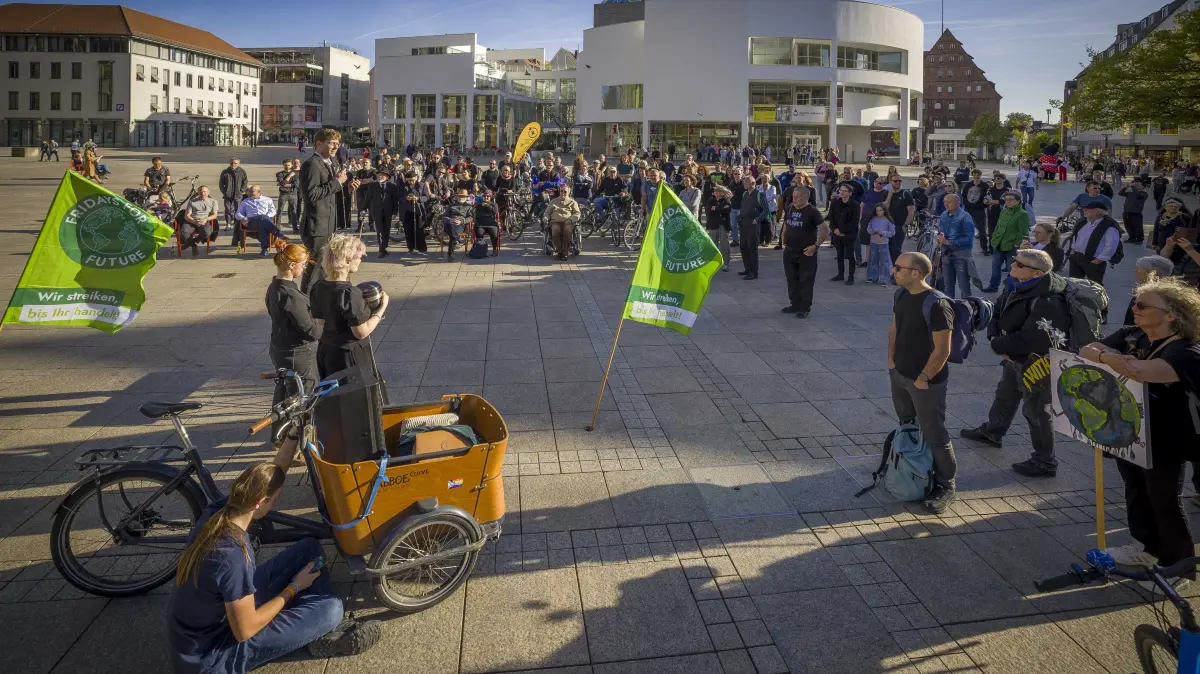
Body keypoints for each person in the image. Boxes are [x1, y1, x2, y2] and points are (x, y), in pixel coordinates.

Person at [168, 443, 381, 673]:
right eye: (275, 499)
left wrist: (291, 437)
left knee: (309, 547)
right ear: (260, 503)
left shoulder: (220, 509)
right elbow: (245, 631)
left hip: (208, 625)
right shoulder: (233, 557)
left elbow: (275, 472)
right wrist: (293, 588)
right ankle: (317, 627)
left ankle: (310, 625)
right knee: (332, 609)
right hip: (211, 655)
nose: (277, 502)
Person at [1082, 277, 1200, 579]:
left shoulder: (1188, 351)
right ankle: (1146, 547)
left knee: (1164, 498)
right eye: (1135, 300)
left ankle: (1178, 567)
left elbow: (1142, 371)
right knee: (1135, 488)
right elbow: (1087, 348)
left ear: (1171, 314)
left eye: (1142, 304)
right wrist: (1113, 358)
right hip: (1129, 430)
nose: (1134, 307)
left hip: (1167, 436)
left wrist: (1110, 359)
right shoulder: (1134, 334)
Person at [961, 249, 1071, 477]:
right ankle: (993, 432)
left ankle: (1045, 461)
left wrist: (998, 346)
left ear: (1037, 273)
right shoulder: (1015, 284)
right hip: (1013, 357)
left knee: (1036, 411)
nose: (1013, 265)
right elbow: (998, 309)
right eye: (1014, 261)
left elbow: (1035, 338)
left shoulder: (1048, 300)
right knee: (1005, 394)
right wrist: (994, 337)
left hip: (1035, 363)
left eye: (1019, 264)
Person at [889, 252, 958, 513]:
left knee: (935, 433)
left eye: (899, 268)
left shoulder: (938, 304)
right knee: (907, 424)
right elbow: (895, 328)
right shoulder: (901, 294)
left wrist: (923, 378)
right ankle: (914, 470)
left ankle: (946, 485)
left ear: (916, 273)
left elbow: (942, 349)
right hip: (900, 375)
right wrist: (891, 364)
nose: (894, 271)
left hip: (926, 381)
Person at [310, 234, 389, 380]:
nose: (360, 261)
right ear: (347, 260)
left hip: (327, 352)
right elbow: (361, 332)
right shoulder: (350, 293)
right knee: (354, 399)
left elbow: (319, 323)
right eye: (358, 257)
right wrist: (381, 309)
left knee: (333, 396)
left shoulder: (318, 286)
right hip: (348, 356)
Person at [266, 244, 319, 434]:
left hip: (279, 346)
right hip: (297, 352)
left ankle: (278, 435)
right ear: (291, 265)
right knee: (301, 397)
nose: (304, 268)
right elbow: (309, 330)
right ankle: (295, 442)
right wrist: (324, 326)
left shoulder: (274, 287)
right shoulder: (291, 295)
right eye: (303, 264)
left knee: (283, 392)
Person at [300, 129, 358, 292]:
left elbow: (330, 194)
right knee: (314, 272)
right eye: (332, 143)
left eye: (338, 144)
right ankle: (307, 307)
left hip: (329, 225)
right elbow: (311, 195)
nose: (336, 147)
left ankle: (320, 305)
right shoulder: (312, 165)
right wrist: (337, 183)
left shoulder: (329, 163)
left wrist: (346, 188)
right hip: (317, 227)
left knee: (325, 270)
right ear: (319, 144)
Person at [780, 186, 827, 318]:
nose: (793, 199)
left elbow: (824, 229)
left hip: (806, 253)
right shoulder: (790, 207)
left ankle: (804, 307)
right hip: (790, 250)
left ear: (805, 197)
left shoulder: (812, 211)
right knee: (791, 278)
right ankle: (794, 304)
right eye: (793, 196)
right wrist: (784, 235)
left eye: (797, 197)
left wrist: (816, 246)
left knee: (806, 280)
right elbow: (786, 223)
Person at [983, 192, 1030, 292]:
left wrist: (1016, 244)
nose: (1008, 202)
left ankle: (1011, 289)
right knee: (995, 267)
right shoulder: (1004, 211)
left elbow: (1023, 231)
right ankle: (993, 286)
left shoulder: (1022, 214)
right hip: (999, 244)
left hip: (1011, 246)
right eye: (1006, 199)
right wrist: (994, 238)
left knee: (1011, 269)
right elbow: (998, 226)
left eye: (1011, 199)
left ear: (1017, 201)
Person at [1067, 200, 1121, 286]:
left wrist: (1097, 261)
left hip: (1093, 260)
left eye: (1088, 209)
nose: (1085, 211)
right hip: (1077, 258)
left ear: (1098, 212)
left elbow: (1111, 246)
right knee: (1073, 284)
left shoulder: (1109, 226)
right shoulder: (1084, 223)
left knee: (1095, 286)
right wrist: (1073, 252)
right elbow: (1076, 237)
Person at [937, 194, 975, 298]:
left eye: (949, 202)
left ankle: (968, 307)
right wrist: (939, 238)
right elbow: (941, 232)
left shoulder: (965, 217)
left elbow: (969, 238)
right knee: (947, 285)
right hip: (946, 254)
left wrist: (950, 242)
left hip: (960, 255)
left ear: (958, 203)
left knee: (963, 285)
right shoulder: (944, 215)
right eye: (944, 201)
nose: (946, 204)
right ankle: (949, 307)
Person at [235, 186, 286, 257]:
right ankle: (277, 233)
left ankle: (264, 250)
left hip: (265, 222)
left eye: (252, 191)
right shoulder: (245, 201)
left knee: (263, 223)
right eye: (249, 191)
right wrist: (242, 217)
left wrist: (265, 217)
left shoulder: (268, 200)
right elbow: (237, 213)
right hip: (251, 222)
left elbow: (273, 211)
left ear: (259, 192)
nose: (249, 193)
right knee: (263, 219)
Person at [1125, 256, 1176, 325]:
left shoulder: (1153, 295)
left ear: (1152, 273)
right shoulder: (1144, 288)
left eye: (1140, 269)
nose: (1136, 271)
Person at [736, 175, 768, 281]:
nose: (744, 183)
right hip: (743, 224)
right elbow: (743, 207)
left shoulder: (760, 195)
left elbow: (765, 211)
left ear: (753, 183)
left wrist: (757, 220)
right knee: (743, 247)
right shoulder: (745, 194)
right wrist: (739, 218)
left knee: (752, 248)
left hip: (753, 225)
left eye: (747, 182)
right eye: (744, 182)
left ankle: (753, 272)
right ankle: (747, 269)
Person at [828, 184, 860, 285]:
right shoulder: (835, 203)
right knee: (839, 254)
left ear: (850, 193)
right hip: (837, 233)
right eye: (841, 190)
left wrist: (842, 231)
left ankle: (851, 277)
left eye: (845, 191)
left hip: (849, 234)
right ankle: (840, 274)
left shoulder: (854, 205)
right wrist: (835, 229)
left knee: (850, 255)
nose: (842, 192)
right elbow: (831, 218)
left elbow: (854, 221)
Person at [363, 171, 398, 258]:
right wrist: (363, 209)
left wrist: (394, 213)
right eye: (379, 175)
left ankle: (384, 247)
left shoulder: (392, 187)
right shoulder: (372, 186)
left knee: (387, 230)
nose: (380, 177)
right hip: (376, 211)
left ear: (387, 177)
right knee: (380, 230)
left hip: (388, 212)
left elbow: (395, 201)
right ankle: (381, 250)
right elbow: (367, 198)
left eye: (382, 176)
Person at [885, 174, 915, 266]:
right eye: (895, 181)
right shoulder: (887, 193)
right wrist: (889, 196)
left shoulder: (906, 194)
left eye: (900, 181)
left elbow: (911, 211)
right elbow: (884, 208)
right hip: (887, 226)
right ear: (891, 182)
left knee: (896, 250)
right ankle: (896, 269)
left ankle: (898, 270)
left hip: (899, 226)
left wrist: (906, 225)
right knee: (889, 249)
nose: (898, 182)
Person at [181, 186, 219, 257]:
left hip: (204, 221)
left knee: (207, 232)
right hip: (192, 221)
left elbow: (214, 215)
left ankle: (192, 242)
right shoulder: (192, 201)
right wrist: (193, 221)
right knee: (183, 232)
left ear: (208, 192)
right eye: (201, 192)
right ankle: (194, 245)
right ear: (198, 193)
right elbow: (187, 216)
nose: (203, 193)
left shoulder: (213, 202)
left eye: (205, 191)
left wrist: (206, 219)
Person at [864, 203, 895, 286]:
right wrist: (872, 231)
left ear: (884, 211)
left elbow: (892, 232)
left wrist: (883, 233)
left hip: (883, 243)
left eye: (880, 210)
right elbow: (869, 228)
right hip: (873, 242)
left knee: (884, 261)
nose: (878, 212)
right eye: (877, 210)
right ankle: (872, 277)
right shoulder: (872, 219)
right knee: (873, 259)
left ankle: (885, 279)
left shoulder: (888, 220)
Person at [545, 188, 581, 260]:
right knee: (555, 230)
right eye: (561, 191)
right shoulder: (553, 201)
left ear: (569, 193)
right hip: (555, 221)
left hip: (568, 222)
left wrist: (571, 220)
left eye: (565, 192)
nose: (563, 193)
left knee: (567, 230)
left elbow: (577, 213)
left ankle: (565, 252)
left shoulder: (572, 202)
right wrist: (546, 218)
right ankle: (559, 251)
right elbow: (547, 212)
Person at [961, 170, 990, 255]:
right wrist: (966, 204)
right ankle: (963, 247)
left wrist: (982, 206)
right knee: (965, 228)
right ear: (972, 175)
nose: (976, 176)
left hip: (979, 209)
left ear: (980, 175)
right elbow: (964, 195)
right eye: (975, 174)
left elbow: (987, 197)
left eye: (978, 174)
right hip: (968, 209)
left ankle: (984, 248)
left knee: (981, 229)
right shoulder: (968, 185)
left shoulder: (984, 185)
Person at [396, 171, 426, 255]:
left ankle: (421, 249)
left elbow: (426, 197)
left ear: (416, 178)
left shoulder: (421, 185)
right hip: (407, 211)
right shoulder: (402, 186)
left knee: (419, 230)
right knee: (408, 231)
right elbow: (399, 197)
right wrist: (406, 198)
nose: (411, 182)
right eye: (409, 180)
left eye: (412, 180)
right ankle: (411, 248)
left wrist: (419, 198)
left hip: (418, 211)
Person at [443, 188, 474, 262]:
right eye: (460, 196)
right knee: (451, 225)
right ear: (457, 196)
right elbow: (444, 216)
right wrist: (450, 219)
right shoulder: (451, 205)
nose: (461, 197)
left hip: (460, 224)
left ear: (466, 197)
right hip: (450, 223)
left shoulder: (469, 206)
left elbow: (471, 217)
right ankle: (457, 240)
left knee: (452, 236)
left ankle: (451, 255)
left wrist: (461, 221)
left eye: (463, 196)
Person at [707, 185, 733, 272]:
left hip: (723, 225)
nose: (717, 193)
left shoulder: (726, 200)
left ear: (722, 193)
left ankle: (726, 263)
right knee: (713, 245)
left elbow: (727, 209)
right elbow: (708, 210)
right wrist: (720, 208)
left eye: (719, 191)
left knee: (724, 244)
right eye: (716, 191)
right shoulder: (711, 200)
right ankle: (714, 263)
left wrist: (716, 208)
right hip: (713, 225)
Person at [219, 158, 248, 232]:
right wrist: (224, 192)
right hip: (228, 195)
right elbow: (221, 183)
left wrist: (241, 190)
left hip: (238, 194)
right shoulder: (225, 172)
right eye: (232, 163)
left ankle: (236, 224)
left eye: (235, 163)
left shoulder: (242, 172)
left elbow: (245, 182)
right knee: (227, 210)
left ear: (238, 164)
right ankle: (228, 224)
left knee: (238, 210)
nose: (233, 164)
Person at [1118, 179, 1149, 244]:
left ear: (1143, 187)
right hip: (1127, 212)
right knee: (1128, 226)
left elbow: (1137, 194)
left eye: (1138, 184)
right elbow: (1120, 193)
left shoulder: (1144, 194)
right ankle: (1132, 237)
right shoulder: (1130, 193)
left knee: (1138, 226)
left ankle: (1140, 239)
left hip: (1136, 213)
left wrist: (1133, 186)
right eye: (1136, 184)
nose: (1136, 185)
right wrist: (1126, 187)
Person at [473, 191, 501, 257]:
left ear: (490, 197)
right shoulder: (479, 205)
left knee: (494, 233)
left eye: (488, 196)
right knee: (479, 233)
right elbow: (477, 216)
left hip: (491, 223)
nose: (486, 197)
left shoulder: (494, 204)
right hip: (481, 223)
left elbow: (495, 212)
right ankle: (481, 250)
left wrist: (487, 206)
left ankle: (494, 249)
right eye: (484, 196)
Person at [277, 159, 300, 234]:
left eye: (289, 165)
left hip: (293, 194)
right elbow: (282, 183)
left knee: (294, 212)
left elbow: (296, 185)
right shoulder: (279, 174)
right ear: (283, 165)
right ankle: (277, 228)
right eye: (285, 165)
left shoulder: (296, 174)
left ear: (291, 165)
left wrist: (284, 184)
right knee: (280, 211)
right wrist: (289, 176)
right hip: (283, 194)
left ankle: (295, 229)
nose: (287, 167)